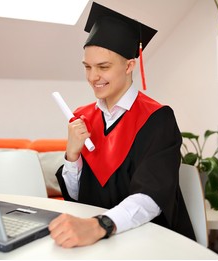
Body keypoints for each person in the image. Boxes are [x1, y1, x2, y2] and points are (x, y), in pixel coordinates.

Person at [49, 2, 195, 248]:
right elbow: (76, 198)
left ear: (129, 66)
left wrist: (100, 225)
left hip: (150, 240)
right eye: (87, 67)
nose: (93, 77)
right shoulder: (82, 117)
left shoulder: (157, 119)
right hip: (99, 240)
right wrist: (72, 155)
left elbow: (151, 198)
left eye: (103, 67)